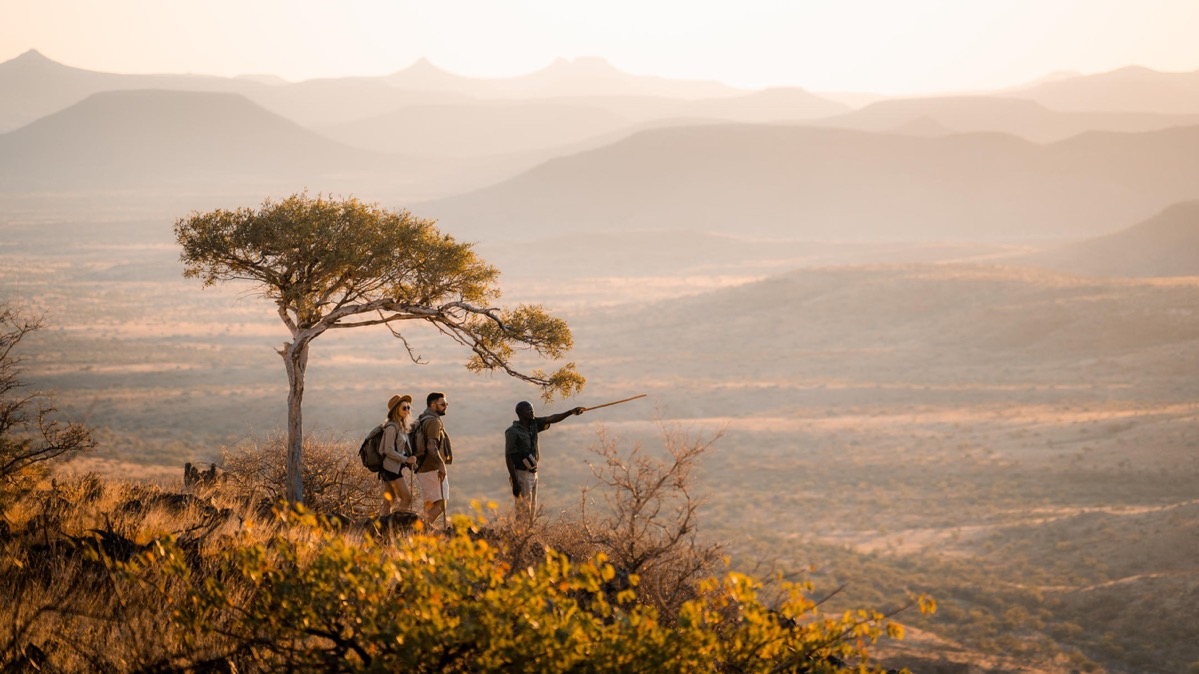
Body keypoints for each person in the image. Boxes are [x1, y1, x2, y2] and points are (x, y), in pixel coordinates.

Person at [505, 401, 584, 519]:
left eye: (532, 409)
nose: (532, 411)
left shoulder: (533, 424)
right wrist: (515, 482)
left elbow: (551, 418)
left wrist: (570, 412)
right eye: (528, 410)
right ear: (520, 413)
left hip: (533, 473)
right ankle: (520, 535)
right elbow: (509, 456)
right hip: (521, 474)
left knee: (531, 511)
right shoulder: (513, 431)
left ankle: (527, 535)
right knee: (523, 512)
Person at [414, 391, 452, 526]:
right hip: (431, 468)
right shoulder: (433, 421)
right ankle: (417, 531)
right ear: (432, 404)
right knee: (441, 504)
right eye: (442, 404)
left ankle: (419, 533)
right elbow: (431, 446)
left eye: (446, 404)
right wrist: (441, 465)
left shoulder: (423, 418)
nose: (445, 406)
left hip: (422, 467)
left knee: (429, 505)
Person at [379, 394, 418, 516]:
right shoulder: (391, 427)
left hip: (391, 468)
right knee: (406, 498)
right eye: (404, 408)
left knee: (388, 502)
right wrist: (406, 459)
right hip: (390, 469)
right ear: (396, 410)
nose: (407, 410)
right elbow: (388, 450)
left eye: (408, 407)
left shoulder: (400, 427)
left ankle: (384, 529)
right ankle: (396, 524)